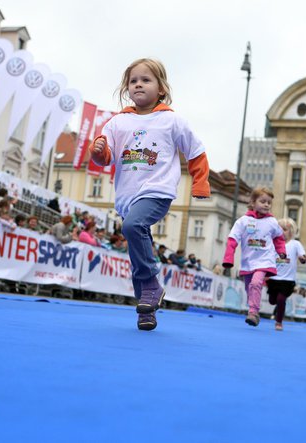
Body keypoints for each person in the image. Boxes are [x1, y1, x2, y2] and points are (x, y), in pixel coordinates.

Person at [89, 58, 211, 331]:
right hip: (127, 195)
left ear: (162, 89)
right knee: (135, 247)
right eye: (133, 81)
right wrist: (97, 151)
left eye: (146, 80)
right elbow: (105, 156)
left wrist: (200, 184)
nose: (138, 85)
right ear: (126, 89)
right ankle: (146, 309)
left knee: (133, 226)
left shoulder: (171, 120)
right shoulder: (117, 122)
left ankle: (152, 285)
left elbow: (196, 151)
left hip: (158, 190)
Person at [222, 187, 286, 327]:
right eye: (262, 201)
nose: (266, 205)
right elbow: (232, 239)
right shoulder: (243, 221)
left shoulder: (272, 222)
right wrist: (228, 258)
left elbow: (279, 238)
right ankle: (253, 308)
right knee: (249, 288)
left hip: (264, 260)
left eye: (269, 202)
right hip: (248, 261)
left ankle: (253, 312)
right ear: (252, 202)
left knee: (256, 283)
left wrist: (281, 251)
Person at [266, 218, 306, 331]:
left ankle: (279, 322)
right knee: (272, 301)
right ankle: (276, 311)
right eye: (279, 229)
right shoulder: (273, 243)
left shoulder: (295, 244)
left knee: (280, 299)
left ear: (291, 232)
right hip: (273, 278)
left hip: (287, 280)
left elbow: (302, 255)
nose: (281, 232)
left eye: (285, 229)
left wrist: (302, 258)